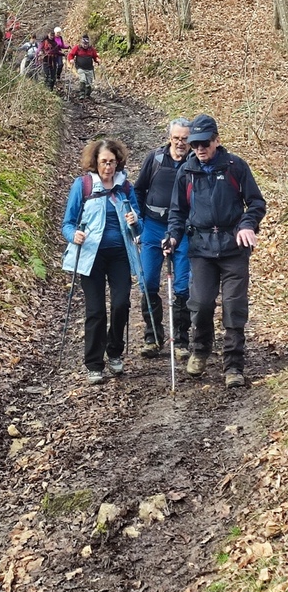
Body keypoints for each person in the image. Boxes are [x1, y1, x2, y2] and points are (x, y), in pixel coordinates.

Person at [166, 114, 266, 389]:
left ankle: (233, 365)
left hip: (234, 247)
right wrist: (172, 237)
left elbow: (256, 203)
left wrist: (247, 225)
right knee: (201, 304)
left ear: (216, 141)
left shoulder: (235, 167)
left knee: (234, 306)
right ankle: (200, 350)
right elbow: (177, 212)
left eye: (205, 143)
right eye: (195, 144)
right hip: (200, 248)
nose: (200, 149)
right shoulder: (187, 172)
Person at [62, 138, 142, 384]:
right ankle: (94, 364)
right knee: (95, 310)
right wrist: (74, 235)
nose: (108, 167)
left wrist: (134, 221)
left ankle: (115, 351)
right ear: (95, 162)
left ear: (118, 162)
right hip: (91, 255)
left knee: (121, 304)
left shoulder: (125, 187)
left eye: (112, 162)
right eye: (104, 162)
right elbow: (68, 223)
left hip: (120, 255)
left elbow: (139, 225)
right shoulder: (83, 186)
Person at [134, 117, 192, 360]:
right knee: (147, 282)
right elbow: (138, 190)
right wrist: (138, 222)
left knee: (183, 286)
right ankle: (153, 338)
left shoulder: (194, 163)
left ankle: (181, 341)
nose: (180, 143)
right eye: (176, 138)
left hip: (184, 230)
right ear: (169, 137)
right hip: (153, 227)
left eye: (185, 139)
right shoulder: (155, 159)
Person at [67, 34, 100, 100]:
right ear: (81, 43)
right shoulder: (77, 48)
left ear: (88, 43)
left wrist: (97, 60)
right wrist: (71, 59)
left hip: (89, 68)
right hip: (80, 67)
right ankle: (81, 94)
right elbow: (71, 55)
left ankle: (87, 95)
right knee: (83, 80)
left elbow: (95, 56)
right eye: (84, 44)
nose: (85, 45)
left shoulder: (91, 49)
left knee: (89, 83)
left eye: (86, 44)